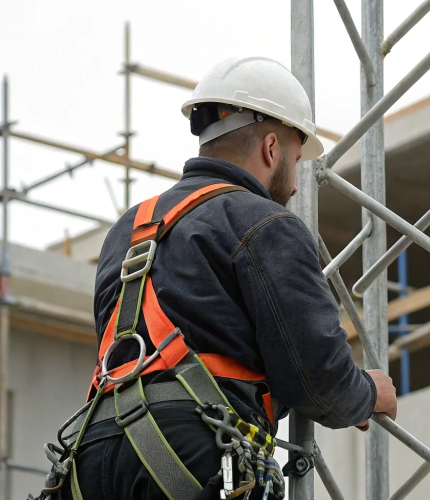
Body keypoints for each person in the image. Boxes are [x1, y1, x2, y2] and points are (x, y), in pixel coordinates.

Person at [30, 57, 397, 500]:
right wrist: (367, 393)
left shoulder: (127, 230)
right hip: (191, 449)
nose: (297, 186)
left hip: (92, 457)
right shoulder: (263, 222)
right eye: (296, 161)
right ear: (270, 147)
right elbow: (317, 378)